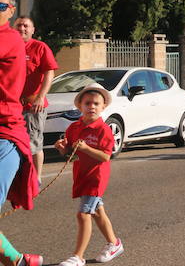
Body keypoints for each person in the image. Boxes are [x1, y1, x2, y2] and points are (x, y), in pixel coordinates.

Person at [54, 83, 124, 265]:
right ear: (80, 106)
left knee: (83, 214)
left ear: (103, 107)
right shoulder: (73, 128)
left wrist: (86, 147)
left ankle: (78, 256)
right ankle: (114, 243)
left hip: (96, 177)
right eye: (87, 103)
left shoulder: (103, 130)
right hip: (81, 175)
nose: (91, 107)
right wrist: (62, 149)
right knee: (97, 211)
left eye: (96, 103)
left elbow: (105, 157)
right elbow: (70, 154)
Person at [0, 0, 42, 266]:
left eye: (0, 5)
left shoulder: (10, 38)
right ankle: (18, 260)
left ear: (11, 10)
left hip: (4, 135)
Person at [16, 16, 58, 181]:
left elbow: (50, 72)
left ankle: (36, 179)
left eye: (26, 26)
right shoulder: (9, 48)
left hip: (32, 107)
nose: (22, 28)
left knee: (33, 143)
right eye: (19, 25)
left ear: (33, 30)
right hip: (11, 106)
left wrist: (41, 97)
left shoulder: (40, 47)